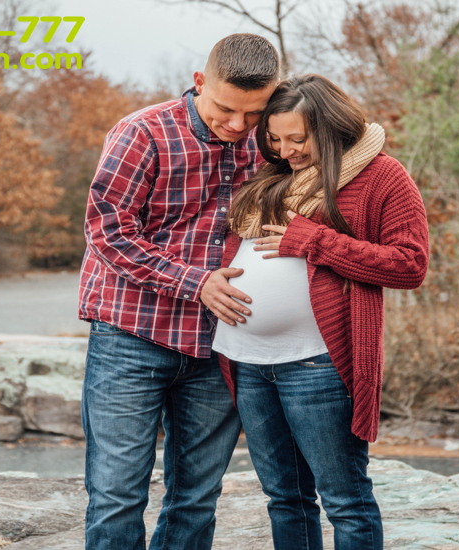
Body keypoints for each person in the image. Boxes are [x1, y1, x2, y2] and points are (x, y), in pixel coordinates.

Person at [77, 34, 278, 550]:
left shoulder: (272, 141)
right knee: (117, 495)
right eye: (226, 109)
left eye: (253, 113)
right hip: (131, 337)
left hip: (220, 345)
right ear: (199, 82)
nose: (238, 125)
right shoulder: (142, 132)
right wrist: (196, 282)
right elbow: (108, 232)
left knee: (196, 498)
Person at [213, 74, 430, 550]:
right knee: (284, 498)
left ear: (329, 128)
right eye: (274, 139)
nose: (285, 150)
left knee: (345, 501)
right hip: (248, 362)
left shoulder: (381, 175)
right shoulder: (271, 176)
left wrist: (316, 241)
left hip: (317, 365)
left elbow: (410, 265)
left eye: (297, 139)